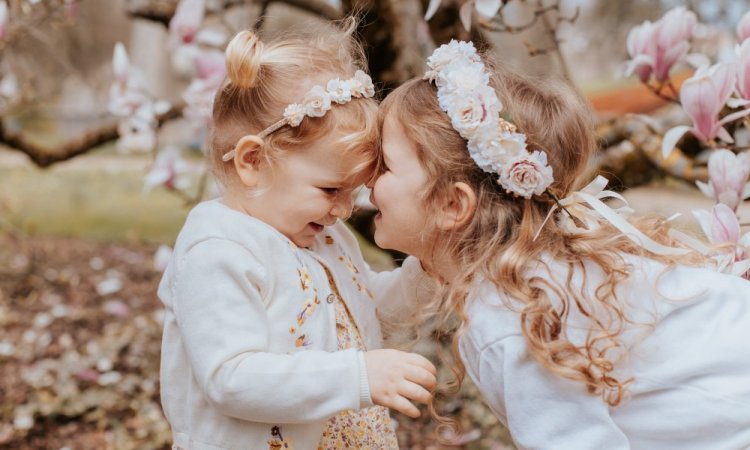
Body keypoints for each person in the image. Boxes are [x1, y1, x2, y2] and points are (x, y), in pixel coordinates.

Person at [369, 39, 750, 449]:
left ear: (453, 204)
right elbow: (378, 298)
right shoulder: (531, 271)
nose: (366, 179)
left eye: (384, 165)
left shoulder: (511, 316)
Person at [157, 20, 437, 450]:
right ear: (253, 161)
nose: (344, 209)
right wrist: (357, 376)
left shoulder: (323, 235)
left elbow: (363, 309)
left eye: (351, 192)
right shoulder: (218, 251)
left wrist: (429, 270)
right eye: (330, 189)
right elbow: (231, 378)